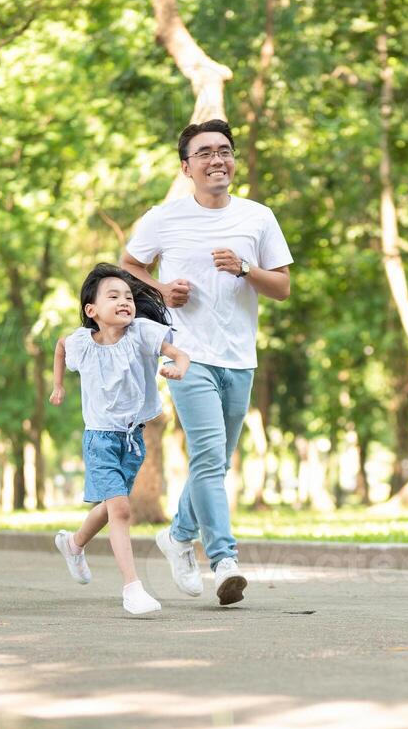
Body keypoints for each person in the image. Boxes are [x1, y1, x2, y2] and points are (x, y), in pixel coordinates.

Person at [121, 120, 293, 606]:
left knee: (216, 461)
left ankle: (176, 536)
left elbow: (281, 288)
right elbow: (129, 266)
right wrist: (160, 290)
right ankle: (224, 560)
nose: (217, 160)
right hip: (186, 354)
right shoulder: (164, 217)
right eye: (205, 154)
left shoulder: (259, 218)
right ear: (186, 167)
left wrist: (244, 268)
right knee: (209, 457)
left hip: (240, 357)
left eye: (224, 151)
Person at [50, 263, 191, 615]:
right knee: (122, 509)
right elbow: (61, 345)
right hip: (99, 440)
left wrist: (180, 368)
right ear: (92, 310)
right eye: (113, 296)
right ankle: (132, 588)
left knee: (111, 507)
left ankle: (74, 543)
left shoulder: (143, 332)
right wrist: (57, 385)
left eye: (128, 296)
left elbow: (180, 353)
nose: (125, 301)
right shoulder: (82, 341)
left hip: (132, 439)